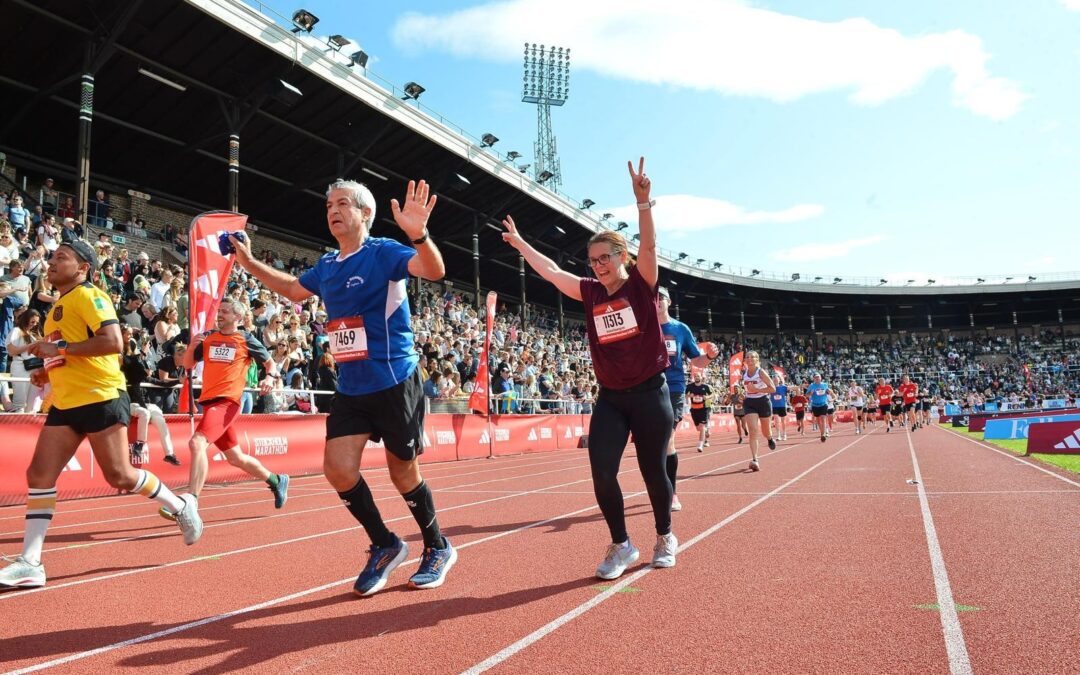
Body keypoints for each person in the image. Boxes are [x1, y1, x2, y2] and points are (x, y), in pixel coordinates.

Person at [228, 177, 457, 595]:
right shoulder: (328, 265)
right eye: (328, 204)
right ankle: (385, 544)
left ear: (365, 213)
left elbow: (434, 270)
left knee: (402, 473)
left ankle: (437, 546)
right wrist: (247, 263)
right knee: (337, 468)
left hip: (394, 379)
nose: (332, 210)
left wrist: (419, 234)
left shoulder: (384, 251)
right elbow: (292, 289)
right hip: (352, 385)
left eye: (342, 203)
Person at [502, 157, 678, 579]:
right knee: (602, 471)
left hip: (652, 393)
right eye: (592, 260)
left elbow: (650, 248)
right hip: (612, 399)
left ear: (622, 256)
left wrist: (644, 205)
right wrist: (522, 243)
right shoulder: (589, 291)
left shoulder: (642, 283)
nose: (597, 266)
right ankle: (622, 545)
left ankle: (664, 535)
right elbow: (550, 272)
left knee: (654, 471)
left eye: (604, 258)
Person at [0, 240, 199, 589]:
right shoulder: (59, 304)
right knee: (39, 474)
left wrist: (58, 348)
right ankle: (31, 562)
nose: (51, 262)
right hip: (66, 402)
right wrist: (49, 368)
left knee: (120, 475)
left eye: (61, 257)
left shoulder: (90, 296)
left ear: (84, 268)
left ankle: (180, 504)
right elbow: (72, 351)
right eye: (51, 256)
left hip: (101, 397)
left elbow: (113, 342)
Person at [165, 298, 289, 531]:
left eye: (224, 311)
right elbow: (189, 364)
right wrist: (192, 346)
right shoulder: (209, 337)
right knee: (235, 458)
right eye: (219, 311)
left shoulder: (246, 339)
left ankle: (191, 500)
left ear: (238, 317)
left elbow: (271, 364)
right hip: (209, 403)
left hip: (228, 402)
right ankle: (276, 480)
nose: (219, 314)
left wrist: (269, 378)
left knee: (197, 442)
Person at [656, 286, 716, 511]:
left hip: (673, 388)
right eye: (654, 298)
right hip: (647, 389)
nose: (657, 301)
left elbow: (696, 361)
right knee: (653, 444)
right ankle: (659, 487)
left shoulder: (681, 329)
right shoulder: (644, 326)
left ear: (669, 301)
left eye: (661, 297)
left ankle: (671, 494)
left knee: (668, 439)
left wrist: (709, 356)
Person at [119, 324, 180, 466]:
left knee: (159, 417)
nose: (148, 370)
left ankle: (169, 453)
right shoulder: (126, 369)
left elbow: (161, 382)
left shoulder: (140, 371)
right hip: (128, 402)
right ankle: (139, 444)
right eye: (127, 334)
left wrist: (179, 380)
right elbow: (130, 365)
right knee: (144, 413)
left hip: (143, 403)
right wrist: (142, 356)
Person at [741, 351, 776, 471]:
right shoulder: (744, 373)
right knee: (753, 430)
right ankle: (755, 459)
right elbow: (746, 388)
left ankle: (770, 438)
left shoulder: (761, 372)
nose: (750, 359)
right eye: (748, 357)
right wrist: (744, 393)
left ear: (757, 359)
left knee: (766, 431)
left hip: (763, 401)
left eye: (752, 357)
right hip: (750, 402)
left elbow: (772, 388)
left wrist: (757, 389)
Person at [6, 308, 45, 413]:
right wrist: (30, 346)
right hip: (20, 367)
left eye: (36, 323)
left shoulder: (34, 334)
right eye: (33, 322)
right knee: (20, 403)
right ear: (26, 319)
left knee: (32, 405)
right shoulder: (16, 331)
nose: (34, 324)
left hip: (35, 369)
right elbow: (11, 351)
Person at [685, 371, 713, 452]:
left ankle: (700, 445)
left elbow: (712, 395)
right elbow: (685, 395)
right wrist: (689, 396)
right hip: (694, 409)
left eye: (698, 376)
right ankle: (706, 430)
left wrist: (707, 397)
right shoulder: (690, 386)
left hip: (703, 409)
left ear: (701, 377)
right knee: (698, 428)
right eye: (695, 376)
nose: (697, 377)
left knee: (702, 427)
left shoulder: (705, 386)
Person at [806, 374, 830, 443]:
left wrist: (828, 392)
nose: (817, 378)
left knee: (823, 418)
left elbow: (828, 392)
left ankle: (823, 434)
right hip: (815, 405)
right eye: (815, 377)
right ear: (813, 379)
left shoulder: (825, 385)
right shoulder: (811, 386)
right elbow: (807, 395)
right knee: (818, 420)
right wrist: (810, 393)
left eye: (818, 377)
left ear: (820, 378)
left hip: (823, 404)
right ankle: (822, 432)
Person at [769, 372, 789, 441]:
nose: (775, 380)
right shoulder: (771, 388)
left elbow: (791, 389)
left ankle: (784, 434)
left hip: (782, 406)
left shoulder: (783, 387)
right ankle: (778, 435)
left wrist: (800, 387)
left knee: (783, 421)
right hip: (774, 406)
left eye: (776, 379)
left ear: (779, 380)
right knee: (777, 421)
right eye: (774, 379)